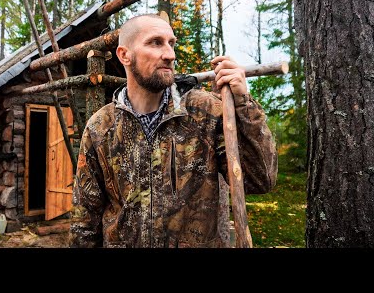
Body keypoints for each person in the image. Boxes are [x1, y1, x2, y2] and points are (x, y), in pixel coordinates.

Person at [69, 13, 278, 248]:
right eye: (155, 42)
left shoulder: (205, 112)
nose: (170, 54)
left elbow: (260, 180)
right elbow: (84, 218)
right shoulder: (101, 126)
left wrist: (243, 103)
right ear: (124, 55)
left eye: (172, 43)